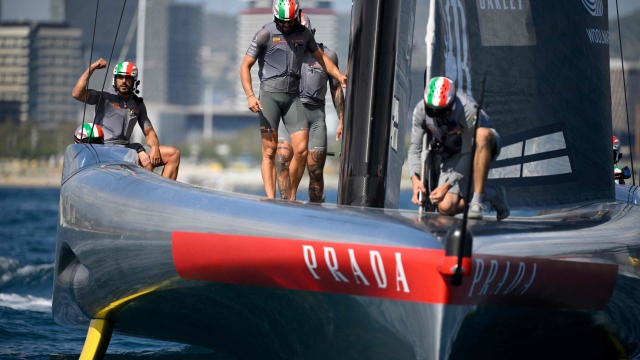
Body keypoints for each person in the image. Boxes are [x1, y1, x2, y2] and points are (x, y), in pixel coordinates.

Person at [240, 0, 346, 199]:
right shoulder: (266, 33)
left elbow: (323, 59)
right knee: (271, 152)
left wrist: (339, 76)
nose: (287, 25)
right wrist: (250, 95)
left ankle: (291, 198)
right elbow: (244, 66)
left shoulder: (304, 35)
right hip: (269, 97)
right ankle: (271, 199)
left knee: (302, 151)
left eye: (290, 21)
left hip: (293, 99)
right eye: (283, 21)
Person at [407, 76, 510, 220]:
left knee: (481, 134)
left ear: (452, 105)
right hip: (455, 154)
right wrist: (415, 179)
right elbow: (415, 149)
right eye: (432, 111)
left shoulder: (468, 109)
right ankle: (493, 194)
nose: (437, 116)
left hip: (482, 147)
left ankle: (477, 200)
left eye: (442, 111)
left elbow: (469, 153)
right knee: (445, 207)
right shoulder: (420, 110)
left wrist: (447, 186)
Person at [274, 13, 345, 202]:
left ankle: (315, 207)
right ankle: (285, 203)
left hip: (315, 115)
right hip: (290, 114)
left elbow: (336, 89)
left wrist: (342, 121)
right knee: (282, 160)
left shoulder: (328, 55)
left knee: (315, 169)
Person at [71, 58, 180, 180]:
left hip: (126, 151)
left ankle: (162, 192)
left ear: (134, 81)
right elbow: (77, 93)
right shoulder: (104, 97)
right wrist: (92, 68)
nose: (124, 81)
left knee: (172, 154)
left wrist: (154, 148)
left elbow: (149, 132)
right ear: (115, 79)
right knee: (147, 165)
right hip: (104, 150)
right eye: (120, 77)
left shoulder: (138, 104)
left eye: (128, 78)